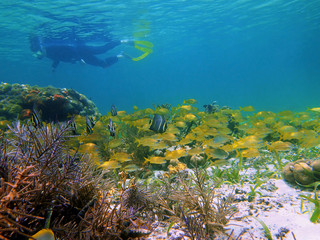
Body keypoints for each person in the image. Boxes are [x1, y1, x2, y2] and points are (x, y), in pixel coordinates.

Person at [30, 36, 132, 71]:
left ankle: (122, 41)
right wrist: (54, 67)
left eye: (38, 53)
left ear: (41, 48)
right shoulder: (47, 54)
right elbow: (57, 58)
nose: (39, 56)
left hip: (82, 51)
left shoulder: (51, 47)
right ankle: (120, 55)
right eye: (36, 55)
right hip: (80, 58)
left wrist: (79, 59)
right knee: (104, 65)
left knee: (103, 49)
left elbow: (70, 48)